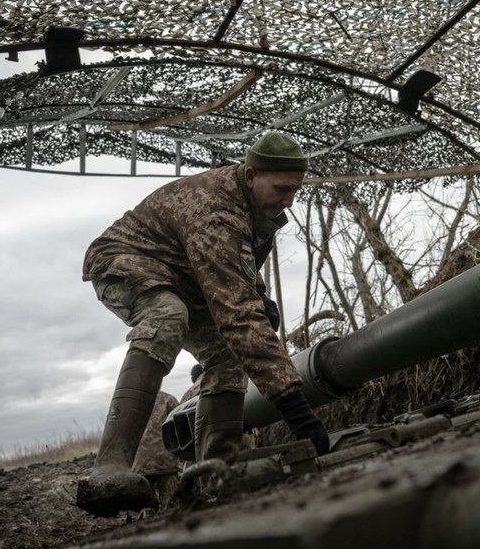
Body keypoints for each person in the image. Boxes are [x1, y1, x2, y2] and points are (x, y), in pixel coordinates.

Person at [77, 132, 330, 516]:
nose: (287, 200)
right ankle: (109, 468)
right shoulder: (215, 207)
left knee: (228, 354)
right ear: (250, 176)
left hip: (187, 276)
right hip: (125, 260)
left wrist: (258, 294)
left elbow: (236, 265)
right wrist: (292, 403)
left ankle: (216, 477)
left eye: (294, 191)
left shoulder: (256, 209)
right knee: (167, 316)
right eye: (280, 188)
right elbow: (235, 309)